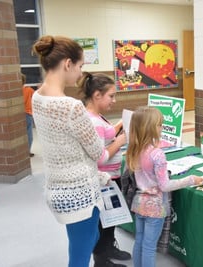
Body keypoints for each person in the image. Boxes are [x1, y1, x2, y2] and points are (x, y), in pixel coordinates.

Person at [31, 35, 111, 267]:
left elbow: (64, 142)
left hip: (58, 188)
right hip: (79, 193)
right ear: (67, 64)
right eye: (80, 66)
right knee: (80, 256)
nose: (79, 74)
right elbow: (97, 151)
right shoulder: (71, 106)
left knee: (83, 244)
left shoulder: (37, 97)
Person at [126, 106, 203, 267]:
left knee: (139, 240)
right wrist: (190, 179)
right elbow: (165, 185)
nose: (162, 128)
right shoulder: (157, 154)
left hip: (138, 203)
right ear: (150, 128)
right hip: (155, 207)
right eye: (160, 125)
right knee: (149, 247)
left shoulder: (134, 149)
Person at [78, 72, 131, 267]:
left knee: (110, 220)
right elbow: (99, 158)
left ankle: (109, 248)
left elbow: (106, 133)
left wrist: (120, 125)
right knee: (102, 222)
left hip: (111, 177)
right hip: (104, 179)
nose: (114, 101)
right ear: (97, 95)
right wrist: (120, 141)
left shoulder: (96, 116)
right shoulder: (92, 122)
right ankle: (101, 260)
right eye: (111, 96)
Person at [21, 73, 35, 157]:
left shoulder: (14, 91)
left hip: (18, 115)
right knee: (29, 134)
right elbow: (37, 96)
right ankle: (27, 152)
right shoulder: (29, 90)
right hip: (28, 114)